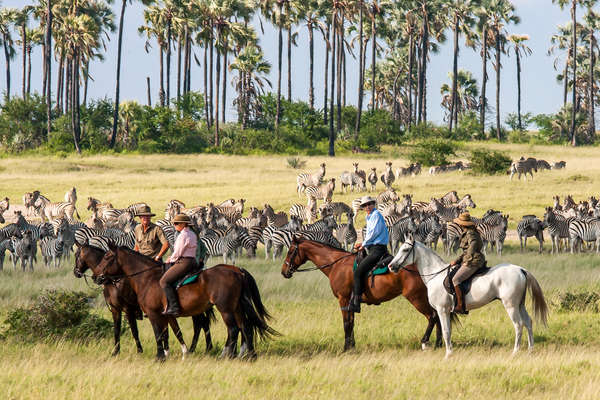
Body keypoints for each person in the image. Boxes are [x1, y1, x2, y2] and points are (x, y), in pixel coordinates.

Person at [350, 196, 389, 313]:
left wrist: (363, 244)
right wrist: (363, 244)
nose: (367, 207)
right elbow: (370, 235)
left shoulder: (376, 215)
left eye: (369, 204)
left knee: (357, 272)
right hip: (372, 248)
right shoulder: (369, 216)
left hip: (377, 249)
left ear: (373, 204)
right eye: (365, 205)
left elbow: (372, 233)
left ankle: (356, 302)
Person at [160, 213, 198, 316]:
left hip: (184, 262)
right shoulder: (192, 234)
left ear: (183, 224)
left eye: (176, 223)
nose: (175, 225)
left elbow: (178, 252)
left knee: (164, 281)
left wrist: (170, 259)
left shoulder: (183, 235)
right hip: (192, 261)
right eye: (174, 223)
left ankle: (175, 307)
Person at [450, 212, 485, 314]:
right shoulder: (469, 231)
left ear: (462, 224)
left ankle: (461, 306)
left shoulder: (470, 233)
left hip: (474, 260)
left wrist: (467, 261)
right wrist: (457, 261)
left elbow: (473, 246)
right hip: (471, 258)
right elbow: (466, 251)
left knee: (456, 279)